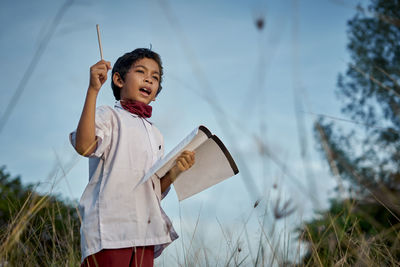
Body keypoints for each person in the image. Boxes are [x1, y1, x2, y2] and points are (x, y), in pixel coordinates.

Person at [70, 48, 195, 267]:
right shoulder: (109, 115)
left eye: (155, 77)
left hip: (145, 234)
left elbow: (154, 189)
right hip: (109, 232)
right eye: (141, 71)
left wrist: (175, 171)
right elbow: (84, 146)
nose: (149, 79)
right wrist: (93, 90)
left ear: (156, 92)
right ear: (118, 79)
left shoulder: (156, 134)